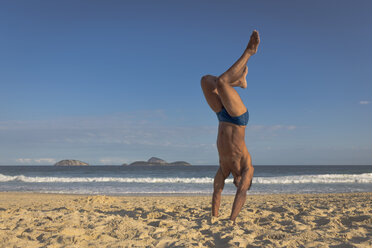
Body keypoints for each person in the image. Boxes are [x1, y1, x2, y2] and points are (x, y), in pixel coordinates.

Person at [200, 30, 260, 222]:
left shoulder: (224, 169)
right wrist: (233, 219)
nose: (241, 183)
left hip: (221, 116)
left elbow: (217, 191)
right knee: (220, 81)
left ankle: (241, 73)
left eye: (240, 183)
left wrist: (215, 218)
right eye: (244, 182)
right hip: (238, 119)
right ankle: (248, 56)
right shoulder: (247, 168)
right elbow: (243, 193)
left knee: (207, 81)